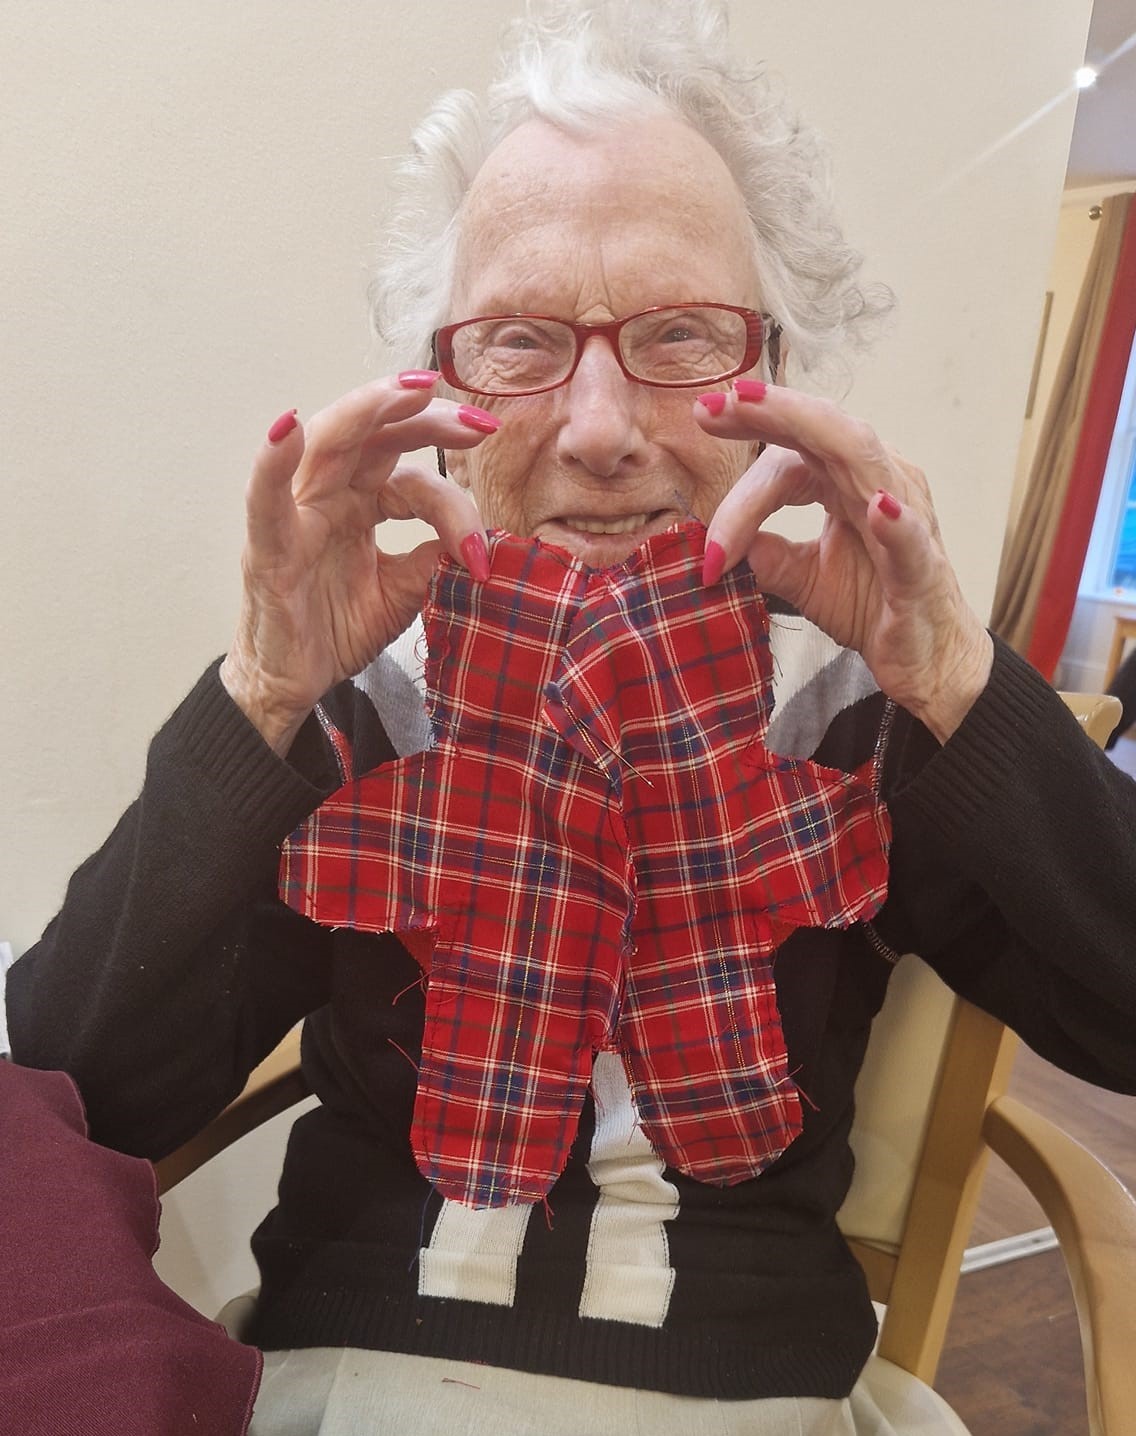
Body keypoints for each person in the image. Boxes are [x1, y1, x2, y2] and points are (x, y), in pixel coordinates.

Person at [7, 1, 1136, 1432]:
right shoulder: (366, 716)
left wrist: (964, 687)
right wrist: (262, 699)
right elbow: (72, 1090)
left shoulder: (863, 725)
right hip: (350, 1383)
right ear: (445, 393)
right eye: (524, 341)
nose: (600, 430)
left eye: (678, 334)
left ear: (769, 384)